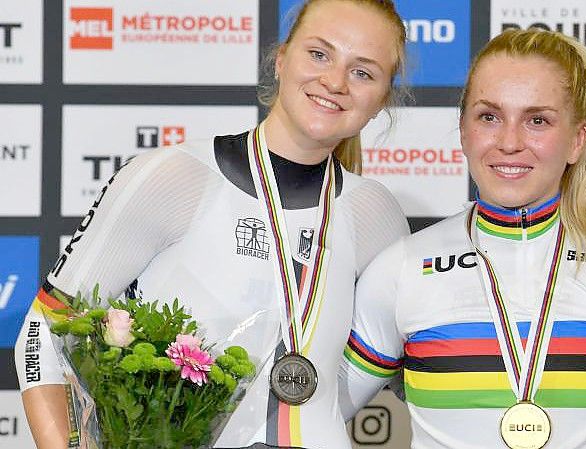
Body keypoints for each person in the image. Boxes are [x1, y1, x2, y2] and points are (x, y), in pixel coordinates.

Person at [14, 0, 410, 448]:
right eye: (319, 54)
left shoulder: (377, 214)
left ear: (382, 100)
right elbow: (43, 331)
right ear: (280, 59)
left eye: (363, 72)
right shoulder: (173, 175)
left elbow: (382, 370)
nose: (335, 81)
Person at [338, 28, 586, 449]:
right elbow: (308, 415)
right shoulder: (403, 268)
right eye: (489, 116)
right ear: (464, 129)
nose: (509, 142)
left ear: (577, 140)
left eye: (537, 120)